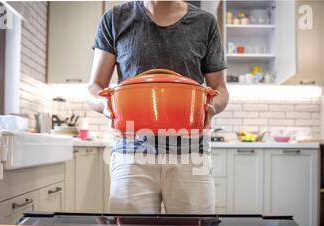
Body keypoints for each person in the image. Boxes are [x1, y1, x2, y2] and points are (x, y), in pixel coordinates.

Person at [85, 1, 229, 214]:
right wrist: (108, 107)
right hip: (131, 154)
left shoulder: (205, 22)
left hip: (191, 155)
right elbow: (94, 86)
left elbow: (220, 89)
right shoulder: (115, 18)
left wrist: (212, 107)